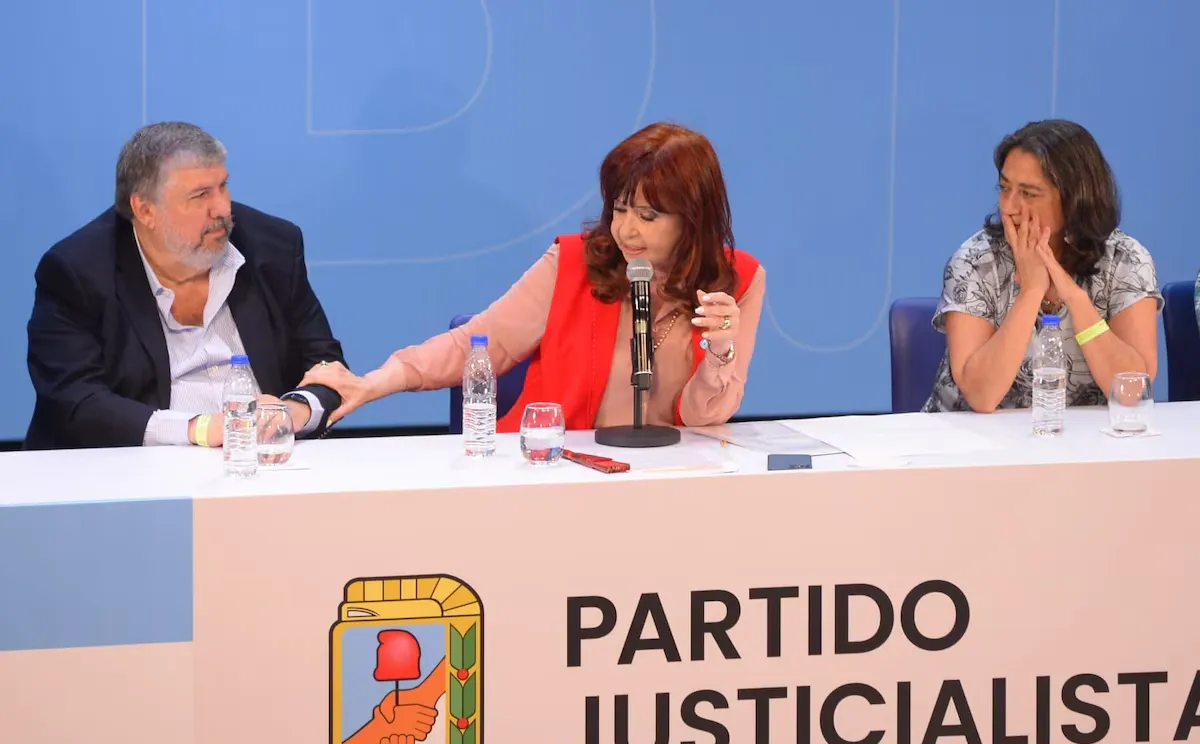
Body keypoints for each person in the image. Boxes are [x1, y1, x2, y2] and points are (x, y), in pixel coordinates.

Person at [302, 122, 766, 431]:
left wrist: (721, 351)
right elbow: (479, 343)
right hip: (555, 468)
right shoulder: (575, 261)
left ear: (692, 219)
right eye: (620, 209)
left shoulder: (738, 280)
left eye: (648, 216)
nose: (626, 230)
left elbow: (704, 417)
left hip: (669, 479)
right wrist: (375, 383)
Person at [24, 121, 347, 450]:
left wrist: (293, 411)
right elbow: (75, 400)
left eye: (222, 186)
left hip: (259, 462)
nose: (222, 209)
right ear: (145, 210)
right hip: (132, 466)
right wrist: (200, 429)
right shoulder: (78, 270)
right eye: (200, 195)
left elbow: (325, 364)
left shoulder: (271, 245)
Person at [924, 119, 1161, 413]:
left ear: (1075, 199)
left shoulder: (1125, 260)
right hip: (969, 436)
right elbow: (982, 396)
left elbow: (1132, 392)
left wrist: (1075, 299)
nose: (1009, 207)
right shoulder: (975, 261)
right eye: (1004, 188)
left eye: (1028, 193)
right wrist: (1031, 291)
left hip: (1084, 437)